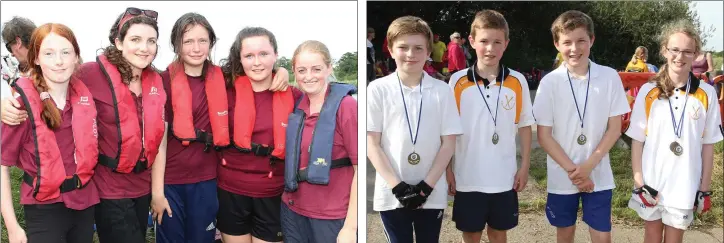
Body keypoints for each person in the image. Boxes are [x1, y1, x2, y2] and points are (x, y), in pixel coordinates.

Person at [151, 12, 290, 243]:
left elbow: (259, 73)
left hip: (208, 181)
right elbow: (159, 143)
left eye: (202, 41)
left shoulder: (224, 80)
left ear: (211, 43)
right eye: (188, 41)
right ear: (176, 45)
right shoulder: (163, 82)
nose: (196, 48)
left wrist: (282, 71)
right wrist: (157, 192)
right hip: (171, 182)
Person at [532, 10, 630, 243]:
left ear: (592, 40)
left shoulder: (609, 77)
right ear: (557, 44)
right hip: (561, 175)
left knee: (602, 236)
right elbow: (544, 136)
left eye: (581, 41)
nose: (574, 48)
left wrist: (587, 167)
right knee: (565, 234)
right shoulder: (549, 82)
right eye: (567, 42)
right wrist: (576, 173)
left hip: (598, 174)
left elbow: (615, 129)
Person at [625, 19, 722, 243]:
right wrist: (639, 181)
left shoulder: (707, 93)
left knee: (674, 239)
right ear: (664, 51)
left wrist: (704, 188)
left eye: (687, 51)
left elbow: (708, 145)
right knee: (651, 236)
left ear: (696, 53)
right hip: (652, 180)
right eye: (675, 50)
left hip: (684, 183)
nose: (680, 57)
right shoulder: (648, 91)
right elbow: (637, 141)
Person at [1, 22, 99, 243]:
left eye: (66, 52)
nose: (58, 61)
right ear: (35, 58)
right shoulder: (20, 107)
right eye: (49, 53)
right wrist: (11, 225)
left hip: (84, 203)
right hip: (42, 209)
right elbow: (2, 165)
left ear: (76, 57)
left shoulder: (85, 97)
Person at [367, 16, 462, 243]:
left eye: (418, 48)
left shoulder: (442, 91)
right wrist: (397, 187)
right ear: (390, 50)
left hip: (431, 191)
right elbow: (372, 143)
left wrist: (426, 187)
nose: (411, 54)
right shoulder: (377, 88)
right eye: (403, 47)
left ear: (429, 51)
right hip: (391, 193)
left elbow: (448, 143)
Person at [447, 10, 535, 243]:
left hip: (503, 176)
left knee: (498, 233)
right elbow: (447, 130)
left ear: (505, 44)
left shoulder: (517, 81)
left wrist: (524, 166)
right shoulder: (457, 81)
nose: (490, 48)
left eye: (497, 42)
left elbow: (525, 125)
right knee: (472, 234)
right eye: (484, 41)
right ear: (472, 41)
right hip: (467, 176)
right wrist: (448, 169)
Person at [215, 27, 301, 243]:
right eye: (249, 56)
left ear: (276, 56)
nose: (257, 62)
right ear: (240, 59)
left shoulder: (295, 96)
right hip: (230, 193)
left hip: (272, 194)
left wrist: (282, 72)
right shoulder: (224, 91)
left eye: (264, 54)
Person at [281, 40, 358, 243]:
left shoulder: (347, 107)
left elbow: (360, 170)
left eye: (316, 69)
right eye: (301, 70)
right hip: (292, 211)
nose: (308, 76)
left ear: (329, 67)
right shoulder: (296, 102)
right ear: (294, 72)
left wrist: (350, 227)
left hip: (331, 217)